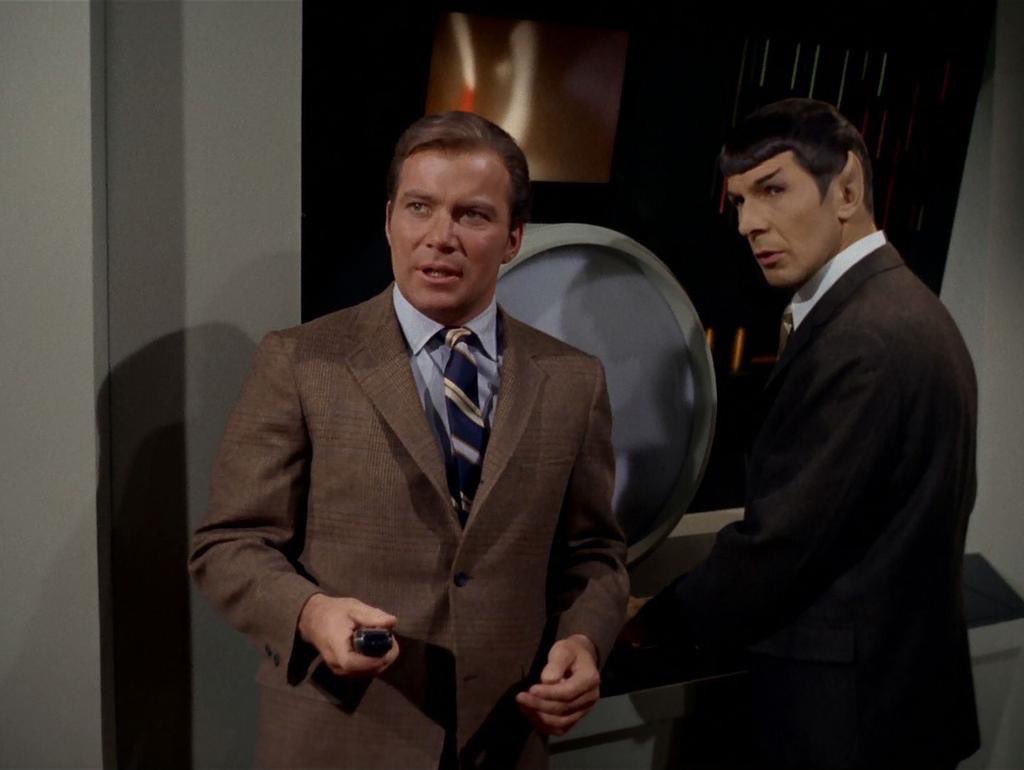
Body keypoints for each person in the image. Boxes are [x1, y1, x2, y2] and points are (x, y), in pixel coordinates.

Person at [190, 111, 628, 770]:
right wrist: (309, 612)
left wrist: (585, 641)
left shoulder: (573, 380)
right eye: (420, 207)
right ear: (390, 219)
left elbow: (594, 553)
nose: (440, 237)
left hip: (504, 739)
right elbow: (228, 544)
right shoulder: (300, 361)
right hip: (340, 738)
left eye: (472, 215)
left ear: (513, 238)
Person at [630, 98, 979, 768]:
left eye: (772, 190)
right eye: (739, 202)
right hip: (887, 701)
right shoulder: (905, 306)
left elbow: (785, 542)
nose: (748, 224)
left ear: (846, 189)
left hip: (843, 720)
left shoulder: (865, 336)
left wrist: (653, 621)